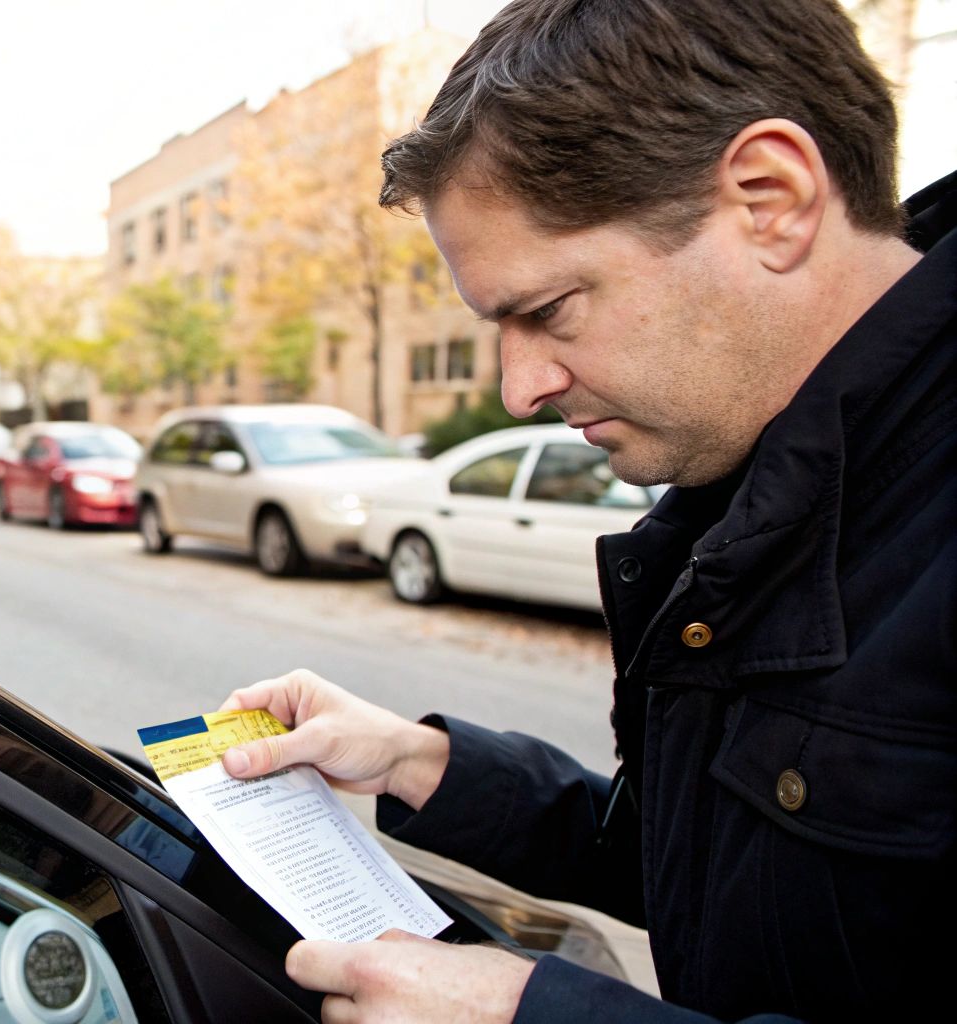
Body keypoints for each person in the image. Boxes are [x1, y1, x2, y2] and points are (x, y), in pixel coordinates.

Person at [218, 0, 957, 1020]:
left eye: (549, 310)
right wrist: (422, 762)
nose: (520, 387)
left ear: (768, 198)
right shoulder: (744, 485)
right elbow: (726, 878)